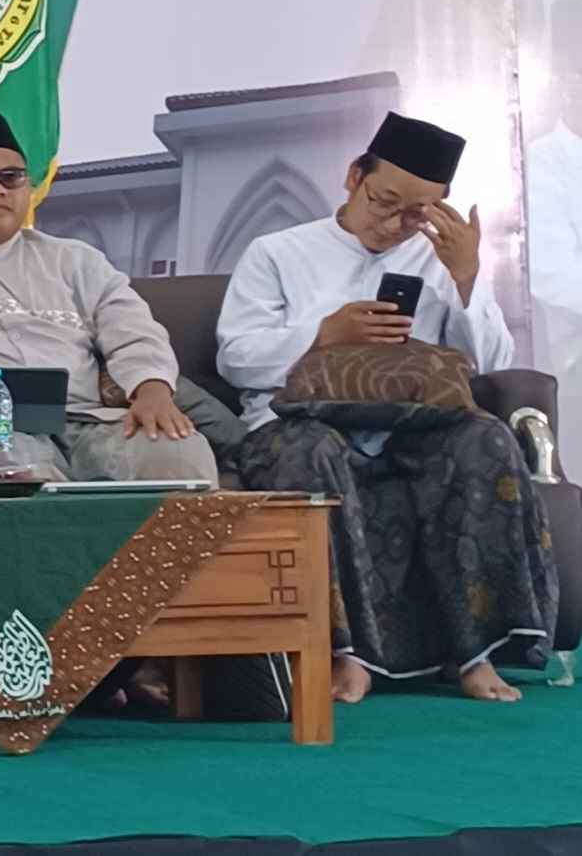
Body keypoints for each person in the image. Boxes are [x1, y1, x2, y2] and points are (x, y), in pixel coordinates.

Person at [220, 111, 555, 706]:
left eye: (417, 213)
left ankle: (475, 651)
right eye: (385, 202)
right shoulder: (277, 252)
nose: (396, 223)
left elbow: (489, 365)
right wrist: (324, 336)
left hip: (413, 425)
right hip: (304, 422)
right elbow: (236, 359)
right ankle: (347, 655)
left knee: (484, 439)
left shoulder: (439, 260)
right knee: (309, 452)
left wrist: (467, 279)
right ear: (355, 177)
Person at [0, 107, 217, 484]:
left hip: (91, 422)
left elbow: (133, 330)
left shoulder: (77, 260)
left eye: (11, 177)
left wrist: (152, 389)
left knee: (178, 450)